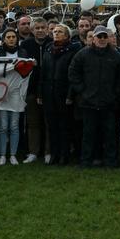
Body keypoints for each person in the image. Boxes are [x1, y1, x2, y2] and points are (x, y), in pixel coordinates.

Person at [68, 25, 120, 168]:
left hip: (109, 103)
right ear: (93, 38)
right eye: (99, 36)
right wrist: (82, 91)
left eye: (105, 36)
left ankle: (110, 162)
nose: (102, 39)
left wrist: (115, 94)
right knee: (88, 134)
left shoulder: (116, 56)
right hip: (88, 102)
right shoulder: (82, 54)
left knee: (110, 134)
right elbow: (73, 73)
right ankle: (85, 161)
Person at [40, 24, 81, 166]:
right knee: (52, 126)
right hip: (49, 93)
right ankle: (54, 154)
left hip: (64, 93)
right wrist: (41, 93)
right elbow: (43, 73)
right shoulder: (48, 50)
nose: (56, 33)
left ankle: (64, 155)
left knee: (64, 126)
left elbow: (73, 75)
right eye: (54, 31)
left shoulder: (72, 51)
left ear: (67, 35)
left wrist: (70, 95)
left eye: (60, 32)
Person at [21, 17, 52, 164]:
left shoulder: (52, 44)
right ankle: (33, 152)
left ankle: (48, 151)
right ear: (32, 30)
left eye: (42, 28)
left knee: (48, 122)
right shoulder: (25, 44)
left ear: (47, 29)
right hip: (31, 90)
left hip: (49, 89)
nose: (40, 30)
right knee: (33, 123)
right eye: (37, 28)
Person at [0, 28, 27, 165]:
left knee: (14, 126)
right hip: (2, 92)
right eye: (8, 37)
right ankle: (2, 155)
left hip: (16, 93)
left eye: (14, 36)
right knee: (3, 126)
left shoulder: (23, 52)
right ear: (3, 39)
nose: (11, 39)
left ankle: (13, 155)